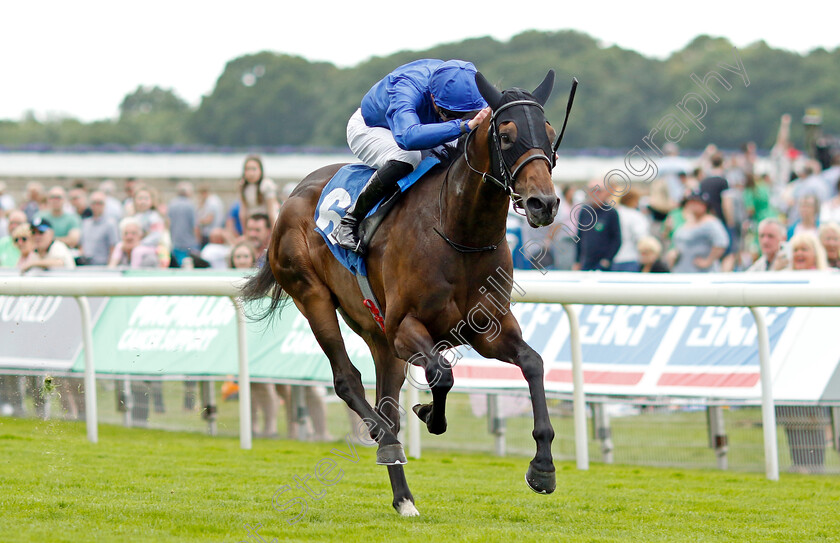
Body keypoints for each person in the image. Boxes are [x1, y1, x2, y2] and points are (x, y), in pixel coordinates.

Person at [330, 59, 490, 253]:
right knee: (408, 158)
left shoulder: (462, 83)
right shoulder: (406, 87)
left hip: (421, 126)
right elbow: (407, 138)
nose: (456, 118)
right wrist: (463, 125)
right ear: (432, 97)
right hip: (374, 128)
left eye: (464, 114)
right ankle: (349, 221)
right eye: (450, 114)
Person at [666, 191, 729, 273]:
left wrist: (708, 261)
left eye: (696, 203)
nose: (692, 206)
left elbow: (721, 243)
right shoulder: (687, 221)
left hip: (701, 272)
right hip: (682, 269)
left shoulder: (710, 222)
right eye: (691, 203)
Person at [574, 179, 621, 271]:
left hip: (603, 264)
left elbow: (617, 239)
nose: (595, 194)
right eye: (592, 190)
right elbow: (579, 237)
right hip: (586, 262)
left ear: (606, 193)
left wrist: (607, 259)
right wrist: (577, 261)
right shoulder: (584, 211)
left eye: (599, 191)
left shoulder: (611, 212)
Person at [612, 189, 650, 272]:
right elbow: (641, 237)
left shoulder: (613, 213)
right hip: (630, 257)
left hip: (612, 258)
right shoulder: (636, 216)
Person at [237, 156, 279, 230]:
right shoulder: (243, 185)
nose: (250, 173)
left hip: (266, 220)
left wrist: (274, 233)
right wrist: (245, 232)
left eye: (254, 169)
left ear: (260, 170)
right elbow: (243, 212)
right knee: (252, 224)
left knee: (258, 224)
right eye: (247, 169)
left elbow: (272, 212)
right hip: (251, 220)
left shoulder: (266, 184)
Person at [79, 191, 119, 266]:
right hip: (85, 265)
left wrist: (110, 268)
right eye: (94, 203)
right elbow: (81, 244)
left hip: (102, 266)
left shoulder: (110, 224)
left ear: (105, 205)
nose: (96, 206)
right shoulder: (85, 223)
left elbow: (113, 248)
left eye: (100, 203)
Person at [167, 182, 198, 265]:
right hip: (189, 243)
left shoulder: (172, 204)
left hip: (175, 241)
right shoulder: (190, 205)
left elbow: (168, 223)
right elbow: (195, 226)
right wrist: (198, 241)